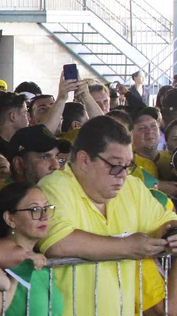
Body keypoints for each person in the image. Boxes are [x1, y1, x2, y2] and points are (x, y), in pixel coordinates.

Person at [38, 116, 177, 316]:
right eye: (115, 165)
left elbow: (165, 221)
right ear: (84, 160)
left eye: (128, 165)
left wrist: (171, 232)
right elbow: (59, 243)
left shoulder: (132, 187)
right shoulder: (54, 187)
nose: (122, 174)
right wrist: (130, 247)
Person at [0, 182, 63, 316]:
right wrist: (19, 268)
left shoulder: (41, 261)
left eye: (46, 207)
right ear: (10, 219)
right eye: (34, 210)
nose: (45, 216)